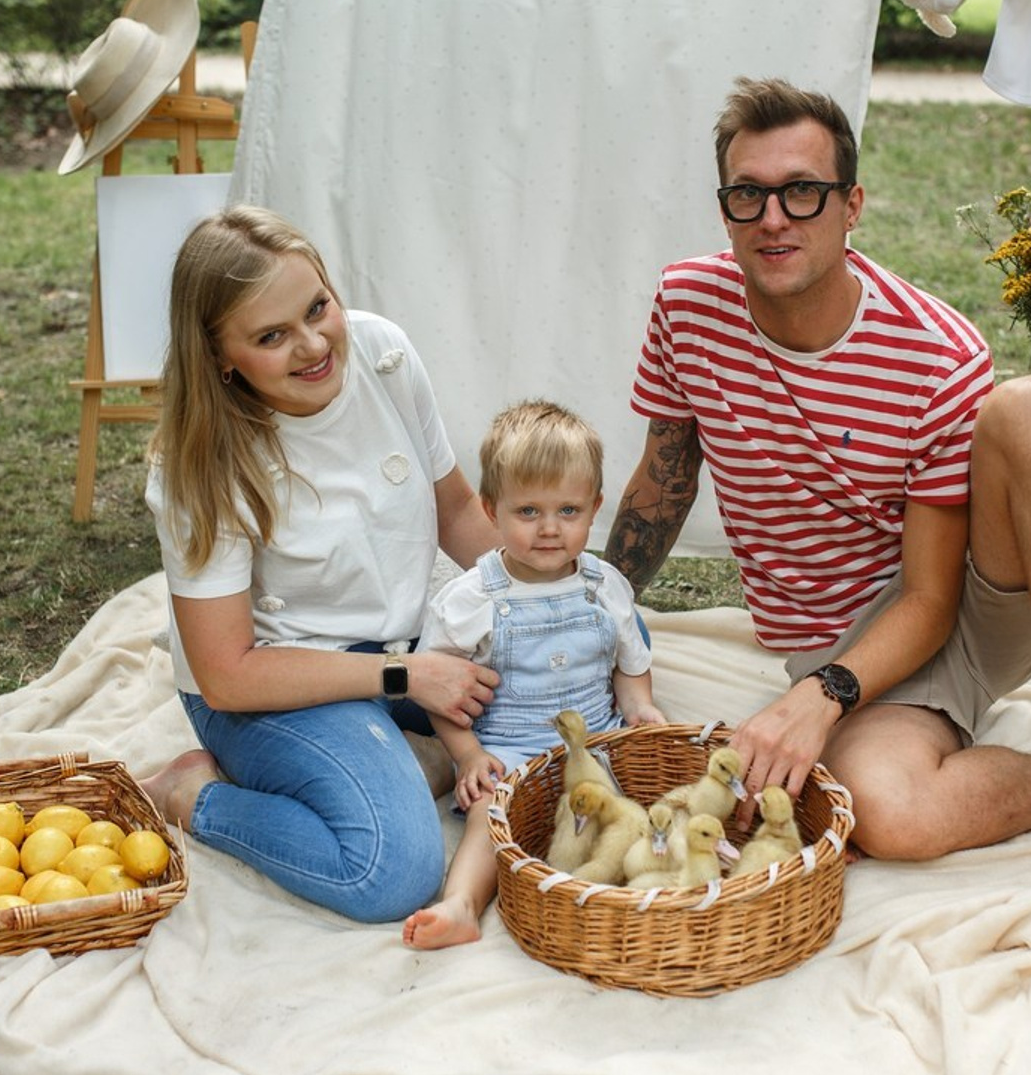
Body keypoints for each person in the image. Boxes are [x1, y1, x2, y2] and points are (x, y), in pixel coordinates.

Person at [604, 76, 1031, 898]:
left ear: (850, 205)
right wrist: (595, 612)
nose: (774, 218)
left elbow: (930, 600)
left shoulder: (934, 352)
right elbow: (663, 483)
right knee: (891, 814)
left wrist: (820, 699)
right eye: (749, 194)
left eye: (803, 191)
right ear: (726, 209)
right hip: (834, 633)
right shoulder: (687, 308)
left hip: (962, 600)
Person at [139, 205, 501, 923]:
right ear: (219, 356)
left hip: (404, 643)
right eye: (271, 336)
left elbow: (457, 509)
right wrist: (407, 676)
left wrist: (547, 596)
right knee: (389, 871)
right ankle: (192, 795)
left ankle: (413, 754)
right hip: (274, 683)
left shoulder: (383, 354)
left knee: (576, 680)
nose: (313, 346)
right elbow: (228, 674)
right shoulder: (197, 467)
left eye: (317, 308)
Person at [403, 399, 664, 949]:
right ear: (491, 510)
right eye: (528, 512)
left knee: (639, 808)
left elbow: (629, 664)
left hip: (596, 743)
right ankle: (462, 904)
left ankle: (639, 895)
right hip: (509, 747)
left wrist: (639, 708)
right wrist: (469, 755)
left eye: (568, 510)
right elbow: (438, 694)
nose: (549, 529)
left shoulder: (604, 586)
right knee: (489, 814)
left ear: (594, 508)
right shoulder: (472, 599)